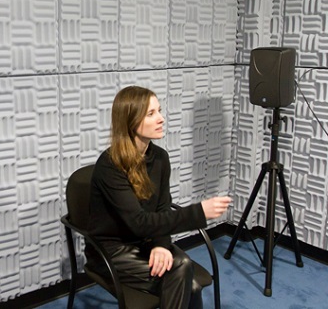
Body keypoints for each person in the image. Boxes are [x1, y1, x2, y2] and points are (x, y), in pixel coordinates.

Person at [86, 85, 232, 309]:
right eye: (151, 114)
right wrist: (199, 212)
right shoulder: (110, 166)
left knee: (185, 274)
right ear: (131, 121)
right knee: (183, 270)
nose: (161, 119)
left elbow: (162, 207)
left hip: (145, 241)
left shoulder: (160, 158)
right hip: (111, 251)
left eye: (160, 111)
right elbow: (138, 222)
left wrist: (161, 244)